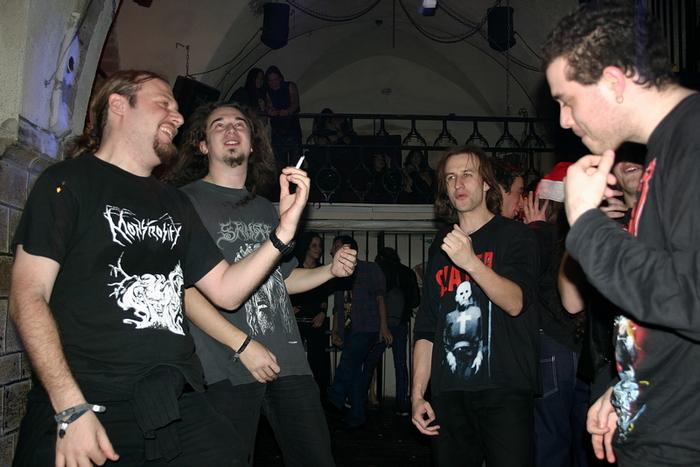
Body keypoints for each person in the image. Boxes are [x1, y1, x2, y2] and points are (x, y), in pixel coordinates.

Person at [9, 70, 311, 466]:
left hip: (172, 398)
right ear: (119, 105)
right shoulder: (68, 182)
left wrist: (284, 230)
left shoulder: (174, 202)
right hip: (89, 395)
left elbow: (226, 290)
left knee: (231, 454)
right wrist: (70, 407)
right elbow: (27, 296)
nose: (179, 116)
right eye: (163, 103)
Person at [541, 3, 699, 466]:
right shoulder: (668, 150)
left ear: (613, 82)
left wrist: (586, 222)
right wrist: (631, 385)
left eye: (567, 101)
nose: (564, 120)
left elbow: (690, 294)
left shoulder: (692, 142)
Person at [169, 100, 357, 467]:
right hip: (226, 365)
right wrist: (242, 345)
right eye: (218, 124)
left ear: (253, 143)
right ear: (203, 145)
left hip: (289, 362)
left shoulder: (263, 208)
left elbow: (281, 280)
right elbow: (181, 291)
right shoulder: (183, 201)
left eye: (240, 124)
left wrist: (329, 271)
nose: (231, 129)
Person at [411, 145, 540, 467]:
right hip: (449, 391)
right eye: (450, 177)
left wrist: (470, 262)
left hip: (504, 386)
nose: (458, 184)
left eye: (467, 175)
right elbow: (427, 327)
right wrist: (417, 394)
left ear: (486, 183)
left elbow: (515, 302)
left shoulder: (516, 236)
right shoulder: (441, 247)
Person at [523, 163, 590, 467]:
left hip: (551, 343)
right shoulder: (583, 236)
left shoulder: (543, 235)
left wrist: (534, 230)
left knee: (550, 437)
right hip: (580, 348)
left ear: (546, 202)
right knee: (581, 437)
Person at [325, 235, 393, 431]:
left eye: (336, 246)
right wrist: (335, 330)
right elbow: (338, 306)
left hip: (367, 326)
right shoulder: (338, 272)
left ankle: (334, 399)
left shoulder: (371, 268)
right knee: (354, 372)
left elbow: (381, 297)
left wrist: (383, 326)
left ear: (347, 248)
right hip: (348, 330)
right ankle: (357, 418)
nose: (332, 250)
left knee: (348, 361)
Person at [361, 247, 421, 416]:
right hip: (401, 323)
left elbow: (370, 296)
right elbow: (416, 301)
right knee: (401, 364)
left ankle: (360, 400)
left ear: (379, 258)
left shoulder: (378, 270)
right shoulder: (407, 272)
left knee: (370, 362)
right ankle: (403, 404)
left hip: (381, 324)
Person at [291, 231, 332, 395]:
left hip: (316, 320)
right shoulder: (294, 268)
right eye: (314, 245)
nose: (318, 249)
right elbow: (284, 292)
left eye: (320, 246)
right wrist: (289, 307)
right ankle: (294, 395)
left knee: (319, 361)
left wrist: (323, 312)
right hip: (296, 321)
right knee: (293, 359)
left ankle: (320, 397)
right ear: (306, 247)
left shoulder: (322, 269)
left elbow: (324, 297)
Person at [265, 66, 302, 168]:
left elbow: (295, 101)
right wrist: (269, 110)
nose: (273, 83)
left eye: (275, 79)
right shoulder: (268, 91)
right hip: (277, 132)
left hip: (292, 130)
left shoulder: (289, 86)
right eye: (270, 80)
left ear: (280, 78)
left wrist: (288, 111)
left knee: (296, 164)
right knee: (280, 165)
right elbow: (268, 104)